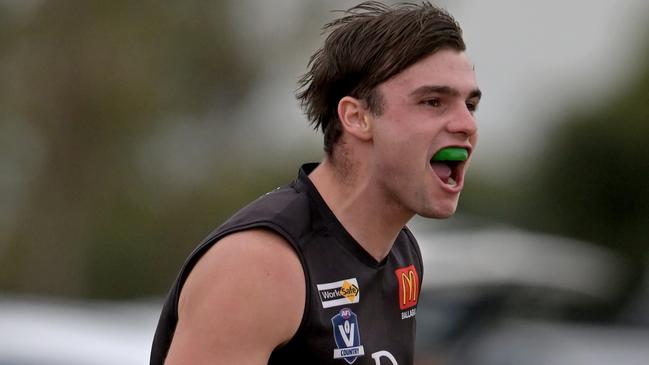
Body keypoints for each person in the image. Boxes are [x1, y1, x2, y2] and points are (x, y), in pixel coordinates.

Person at [150, 1, 481, 364]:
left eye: (470, 105)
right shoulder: (260, 264)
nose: (466, 124)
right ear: (356, 117)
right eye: (433, 102)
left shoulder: (401, 253)